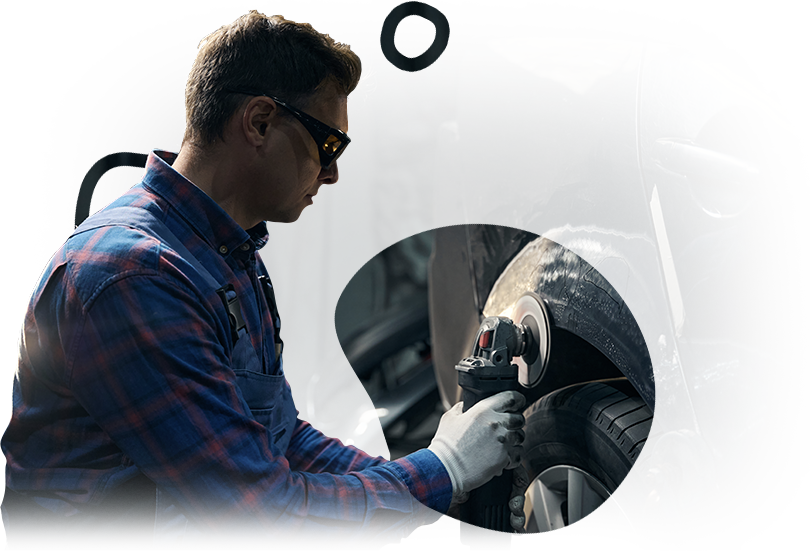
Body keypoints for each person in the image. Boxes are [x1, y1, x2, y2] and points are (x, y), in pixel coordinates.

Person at [0, 9, 527, 551]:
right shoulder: (133, 275)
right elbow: (266, 521)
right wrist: (440, 472)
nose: (333, 173)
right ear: (258, 122)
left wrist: (437, 487)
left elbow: (283, 441)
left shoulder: (224, 252)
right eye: (329, 146)